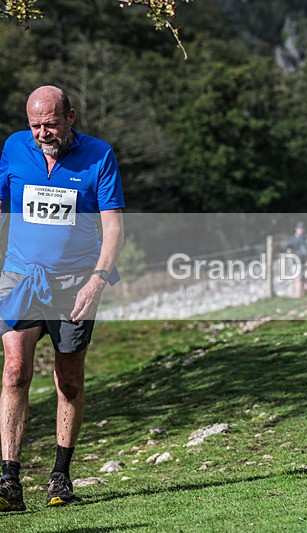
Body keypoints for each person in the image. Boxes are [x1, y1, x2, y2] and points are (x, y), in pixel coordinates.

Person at [0, 86, 125, 510]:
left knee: (68, 380)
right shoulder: (14, 147)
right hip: (19, 277)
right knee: (15, 371)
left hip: (74, 281)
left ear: (70, 116)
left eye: (50, 123)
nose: (41, 133)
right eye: (35, 125)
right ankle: (8, 481)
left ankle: (60, 478)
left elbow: (113, 227)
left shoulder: (99, 156)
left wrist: (98, 280)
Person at [285, 221, 307, 298]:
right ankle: (298, 295)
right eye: (299, 228)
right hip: (296, 262)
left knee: (305, 278)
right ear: (296, 229)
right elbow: (287, 246)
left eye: (302, 228)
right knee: (297, 279)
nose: (300, 230)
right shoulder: (293, 239)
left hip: (306, 261)